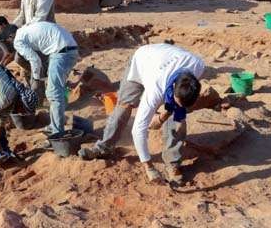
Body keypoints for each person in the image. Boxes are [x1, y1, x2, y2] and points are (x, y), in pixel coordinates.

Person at [78, 43, 204, 185]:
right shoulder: (155, 88)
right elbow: (138, 130)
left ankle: (173, 162)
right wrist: (149, 167)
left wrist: (162, 117)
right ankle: (104, 147)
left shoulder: (198, 67)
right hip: (141, 61)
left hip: (165, 58)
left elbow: (177, 105)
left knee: (178, 116)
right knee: (124, 106)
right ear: (174, 86)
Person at [14, 21, 79, 141]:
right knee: (57, 89)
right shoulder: (26, 29)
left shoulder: (18, 41)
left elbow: (35, 59)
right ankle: (57, 122)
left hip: (61, 53)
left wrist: (36, 78)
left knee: (53, 94)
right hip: (69, 49)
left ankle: (57, 131)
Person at [11, 0, 56, 102]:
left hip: (43, 36)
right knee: (21, 59)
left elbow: (39, 19)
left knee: (36, 64)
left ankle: (38, 99)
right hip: (29, 35)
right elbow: (22, 15)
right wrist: (11, 27)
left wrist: (21, 31)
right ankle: (38, 85)